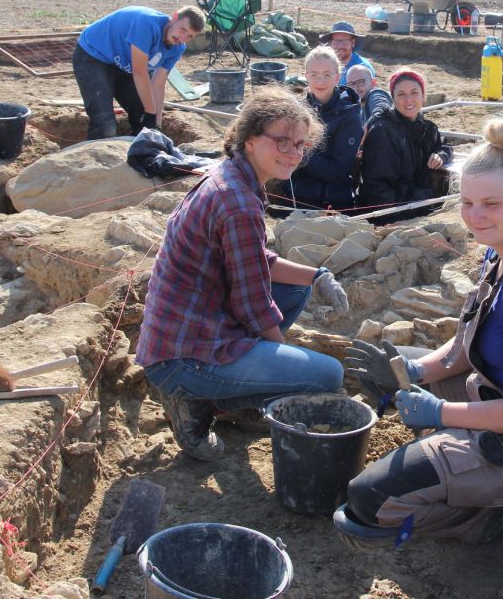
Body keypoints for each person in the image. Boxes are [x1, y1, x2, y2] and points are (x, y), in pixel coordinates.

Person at [335, 115, 503, 546]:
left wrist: (440, 413)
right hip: (496, 392)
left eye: (491, 204)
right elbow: (469, 341)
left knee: (369, 501)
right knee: (393, 375)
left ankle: (482, 515)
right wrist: (414, 371)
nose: (476, 216)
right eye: (467, 202)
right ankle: (458, 457)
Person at [137, 88, 350, 461]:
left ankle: (240, 392)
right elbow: (253, 304)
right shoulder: (237, 202)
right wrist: (286, 361)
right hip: (182, 357)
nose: (293, 152)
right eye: (282, 141)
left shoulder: (233, 176)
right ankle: (199, 401)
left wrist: (316, 275)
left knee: (296, 289)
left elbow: (253, 258)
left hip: (192, 326)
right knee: (327, 376)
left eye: (300, 144)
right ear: (250, 139)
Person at [73, 5, 205, 140]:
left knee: (142, 115)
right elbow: (139, 72)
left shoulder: (177, 48)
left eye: (190, 36)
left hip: (124, 64)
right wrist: (151, 113)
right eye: (183, 30)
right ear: (175, 17)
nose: (182, 38)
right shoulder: (146, 24)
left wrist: (156, 125)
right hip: (93, 55)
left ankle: (139, 149)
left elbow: (158, 85)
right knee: (104, 123)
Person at [357, 69, 452, 224]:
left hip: (418, 204)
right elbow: (377, 189)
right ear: (393, 99)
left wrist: (441, 154)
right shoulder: (382, 131)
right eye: (401, 94)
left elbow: (444, 145)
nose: (408, 100)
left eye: (414, 92)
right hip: (389, 214)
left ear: (423, 96)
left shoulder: (427, 128)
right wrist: (404, 216)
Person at [285, 46, 363, 212]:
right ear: (306, 76)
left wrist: (300, 151)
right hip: (293, 198)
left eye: (327, 74)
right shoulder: (296, 110)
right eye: (314, 75)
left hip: (332, 204)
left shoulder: (349, 117)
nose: (320, 81)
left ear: (338, 77)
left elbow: (337, 171)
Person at [319, 21, 376, 85]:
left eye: (344, 40)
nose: (339, 45)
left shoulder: (363, 68)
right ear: (330, 43)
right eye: (335, 40)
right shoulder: (324, 65)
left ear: (353, 43)